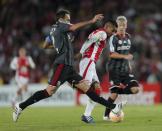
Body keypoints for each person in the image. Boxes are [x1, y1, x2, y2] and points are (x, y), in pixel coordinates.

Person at [12, 9, 126, 122]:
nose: (69, 22)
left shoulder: (54, 30)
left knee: (88, 89)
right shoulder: (61, 25)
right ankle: (20, 106)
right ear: (61, 19)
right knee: (49, 92)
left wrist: (60, 44)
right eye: (68, 20)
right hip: (62, 64)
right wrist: (91, 21)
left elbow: (45, 45)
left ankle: (114, 107)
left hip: (69, 67)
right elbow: (73, 27)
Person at [75, 21, 117, 123]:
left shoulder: (100, 33)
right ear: (107, 26)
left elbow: (91, 40)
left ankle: (86, 115)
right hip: (88, 61)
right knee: (85, 87)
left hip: (91, 64)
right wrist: (81, 53)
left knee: (97, 90)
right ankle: (68, 80)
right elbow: (89, 41)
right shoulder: (102, 33)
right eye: (113, 30)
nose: (113, 32)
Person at [103, 16, 139, 121]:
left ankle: (119, 92)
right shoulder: (113, 38)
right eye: (120, 25)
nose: (122, 27)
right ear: (116, 27)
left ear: (126, 26)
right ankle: (106, 115)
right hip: (114, 69)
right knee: (114, 94)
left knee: (135, 89)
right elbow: (111, 54)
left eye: (124, 25)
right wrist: (125, 57)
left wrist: (128, 64)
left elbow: (126, 52)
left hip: (125, 69)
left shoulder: (128, 37)